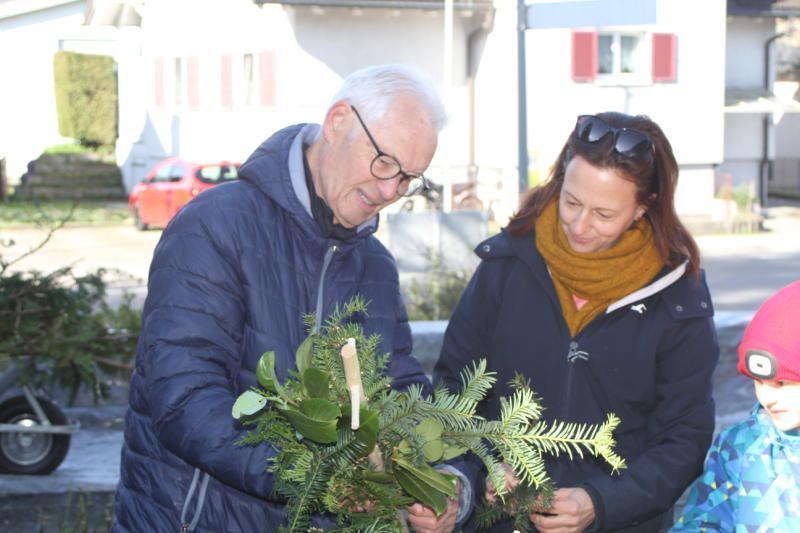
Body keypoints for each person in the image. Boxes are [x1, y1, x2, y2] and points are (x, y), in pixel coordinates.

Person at [113, 64, 469, 532]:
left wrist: (441, 482)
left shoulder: (375, 265)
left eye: (408, 179)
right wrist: (318, 481)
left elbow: (400, 392)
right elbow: (183, 400)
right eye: (384, 163)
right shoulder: (216, 226)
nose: (389, 191)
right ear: (338, 121)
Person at [434, 112, 720, 532]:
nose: (580, 226)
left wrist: (601, 502)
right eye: (571, 201)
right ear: (559, 180)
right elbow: (454, 392)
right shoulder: (506, 265)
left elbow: (684, 438)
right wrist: (481, 472)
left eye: (604, 214)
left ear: (644, 207)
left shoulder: (678, 296)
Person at [672, 281, 800, 532]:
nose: (767, 398)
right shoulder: (740, 447)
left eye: (782, 383)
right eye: (758, 382)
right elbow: (706, 522)